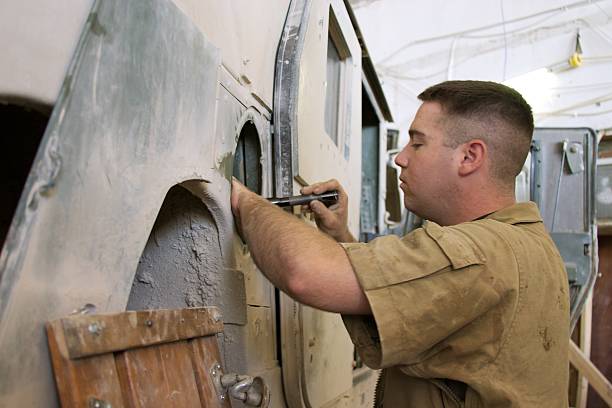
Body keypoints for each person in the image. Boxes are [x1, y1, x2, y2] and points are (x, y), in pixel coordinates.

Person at [231, 80, 569, 407]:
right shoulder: (527, 244)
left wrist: (243, 199)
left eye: (418, 144)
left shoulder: (479, 252)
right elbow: (398, 301)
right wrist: (338, 236)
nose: (400, 158)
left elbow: (304, 273)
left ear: (469, 157)